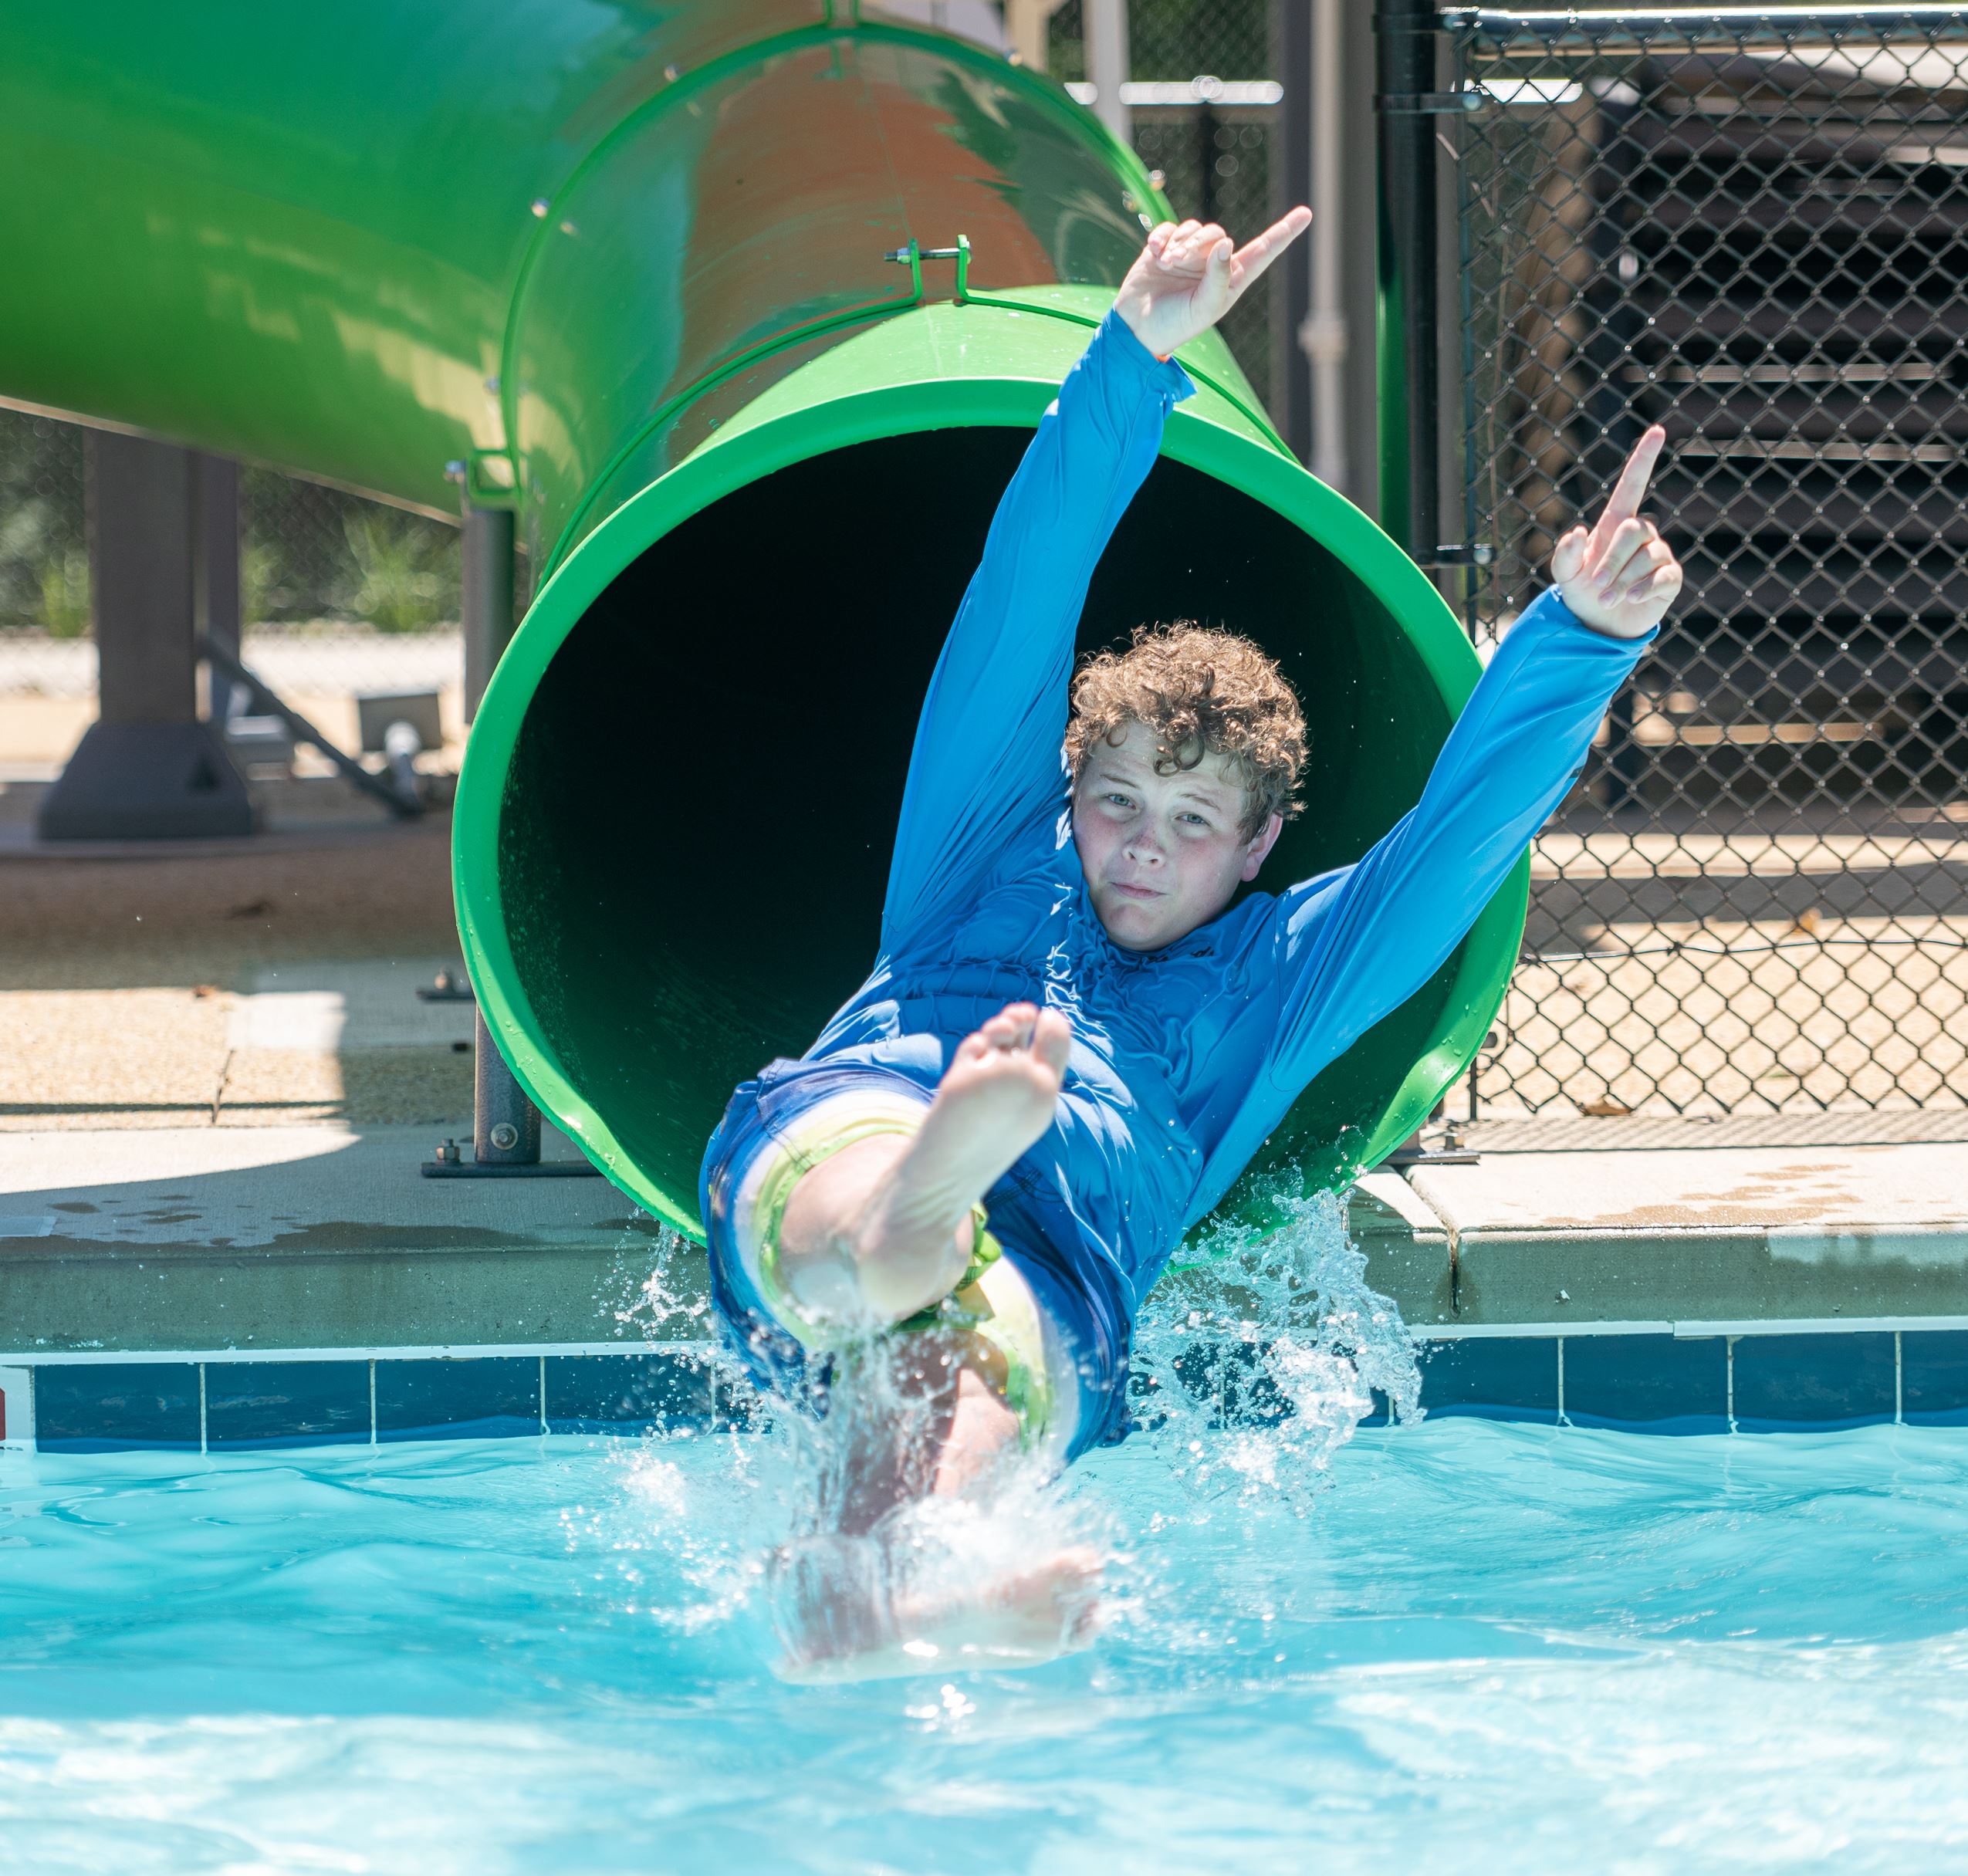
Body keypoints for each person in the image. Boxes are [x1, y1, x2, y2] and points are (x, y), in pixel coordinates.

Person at [699, 211, 1682, 1678]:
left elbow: (1453, 845)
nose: (1144, 844)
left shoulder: (1286, 973)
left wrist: (1578, 636)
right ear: (1066, 792)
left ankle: (873, 1581)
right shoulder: (987, 848)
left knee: (972, 1336)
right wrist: (1133, 356)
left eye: (1191, 820)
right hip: (900, 1104)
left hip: (1054, 1235)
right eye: (1113, 803)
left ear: (1260, 842)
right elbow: (1018, 605)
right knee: (874, 1203)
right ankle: (907, 1231)